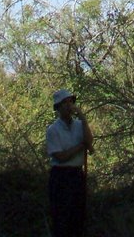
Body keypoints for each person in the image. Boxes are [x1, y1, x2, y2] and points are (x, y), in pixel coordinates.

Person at [46, 88, 94, 237]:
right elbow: (61, 156)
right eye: (65, 103)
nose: (69, 105)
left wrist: (83, 118)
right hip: (60, 177)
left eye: (70, 102)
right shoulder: (53, 130)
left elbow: (90, 141)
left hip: (77, 175)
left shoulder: (80, 125)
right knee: (61, 218)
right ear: (58, 108)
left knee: (78, 217)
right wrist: (81, 146)